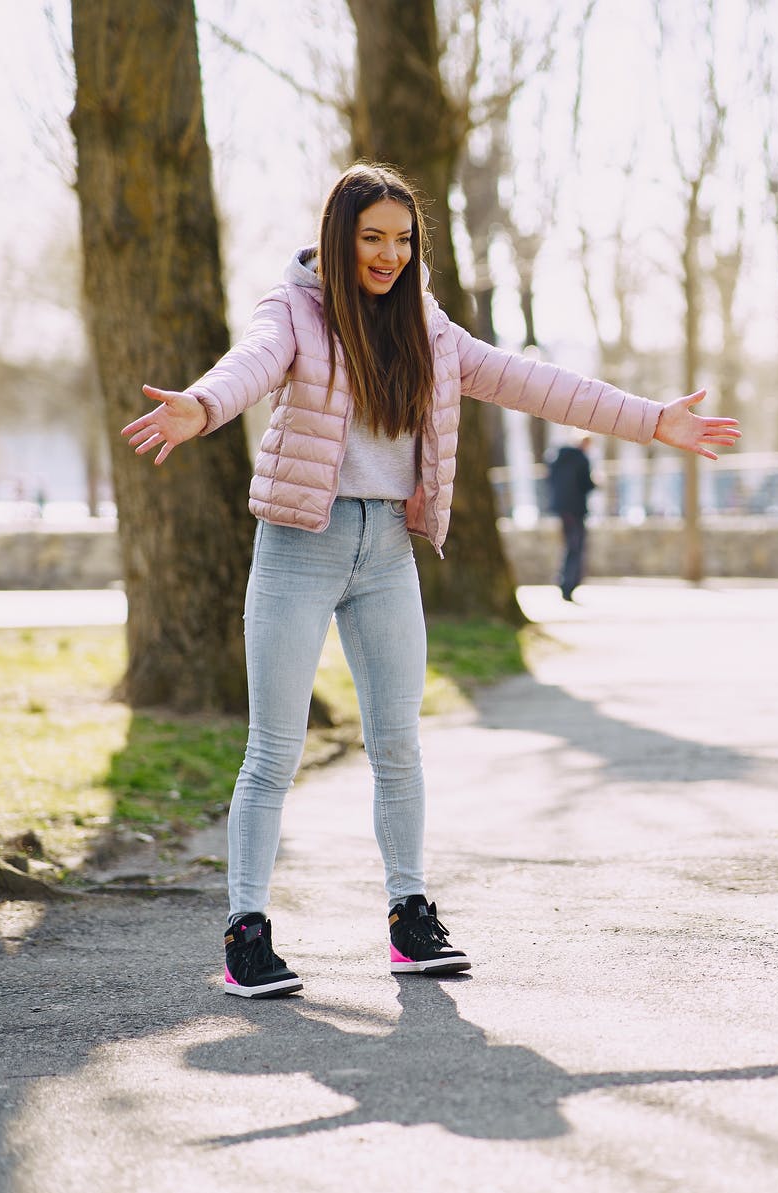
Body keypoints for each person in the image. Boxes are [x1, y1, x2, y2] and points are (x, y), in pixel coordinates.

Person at [121, 164, 740, 998]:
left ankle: (410, 919)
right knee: (273, 750)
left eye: (403, 240)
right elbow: (253, 363)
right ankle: (246, 932)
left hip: (386, 555)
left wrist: (650, 421)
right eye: (372, 238)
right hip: (301, 542)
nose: (388, 255)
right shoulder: (294, 310)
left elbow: (534, 382)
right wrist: (201, 405)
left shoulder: (429, 328)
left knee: (398, 745)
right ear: (341, 239)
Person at [547, 435, 596, 601]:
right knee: (575, 547)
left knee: (569, 545)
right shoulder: (581, 459)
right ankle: (569, 584)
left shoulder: (557, 458)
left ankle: (565, 581)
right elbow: (586, 484)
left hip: (561, 508)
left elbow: (551, 481)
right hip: (576, 509)